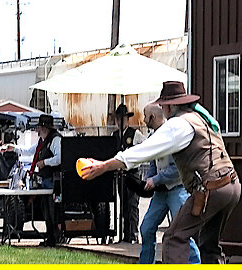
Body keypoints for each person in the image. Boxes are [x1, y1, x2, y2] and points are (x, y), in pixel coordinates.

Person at [80, 81, 241, 264]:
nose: (162, 109)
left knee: (174, 238)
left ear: (170, 106)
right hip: (232, 186)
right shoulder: (202, 118)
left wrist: (103, 166)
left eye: (163, 105)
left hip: (211, 189)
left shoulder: (178, 125)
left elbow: (142, 151)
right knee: (208, 245)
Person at [138, 103, 200, 264]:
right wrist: (148, 179)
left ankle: (195, 263)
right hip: (160, 193)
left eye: (145, 116)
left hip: (177, 190)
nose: (143, 120)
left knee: (182, 231)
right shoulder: (153, 138)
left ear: (153, 117)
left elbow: (176, 170)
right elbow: (153, 163)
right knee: (146, 228)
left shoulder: (173, 136)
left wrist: (155, 179)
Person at [5, 114, 62, 246]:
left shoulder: (55, 140)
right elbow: (30, 151)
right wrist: (15, 148)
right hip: (45, 180)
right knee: (46, 208)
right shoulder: (43, 141)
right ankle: (49, 237)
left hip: (53, 180)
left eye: (39, 127)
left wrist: (45, 163)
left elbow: (59, 158)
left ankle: (55, 237)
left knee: (52, 209)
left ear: (44, 128)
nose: (37, 130)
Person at [112, 104, 145, 243]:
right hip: (120, 175)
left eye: (123, 119)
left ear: (127, 119)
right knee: (123, 205)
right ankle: (125, 234)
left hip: (132, 173)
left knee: (133, 204)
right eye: (118, 119)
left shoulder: (135, 134)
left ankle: (133, 233)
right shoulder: (114, 135)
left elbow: (144, 149)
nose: (120, 122)